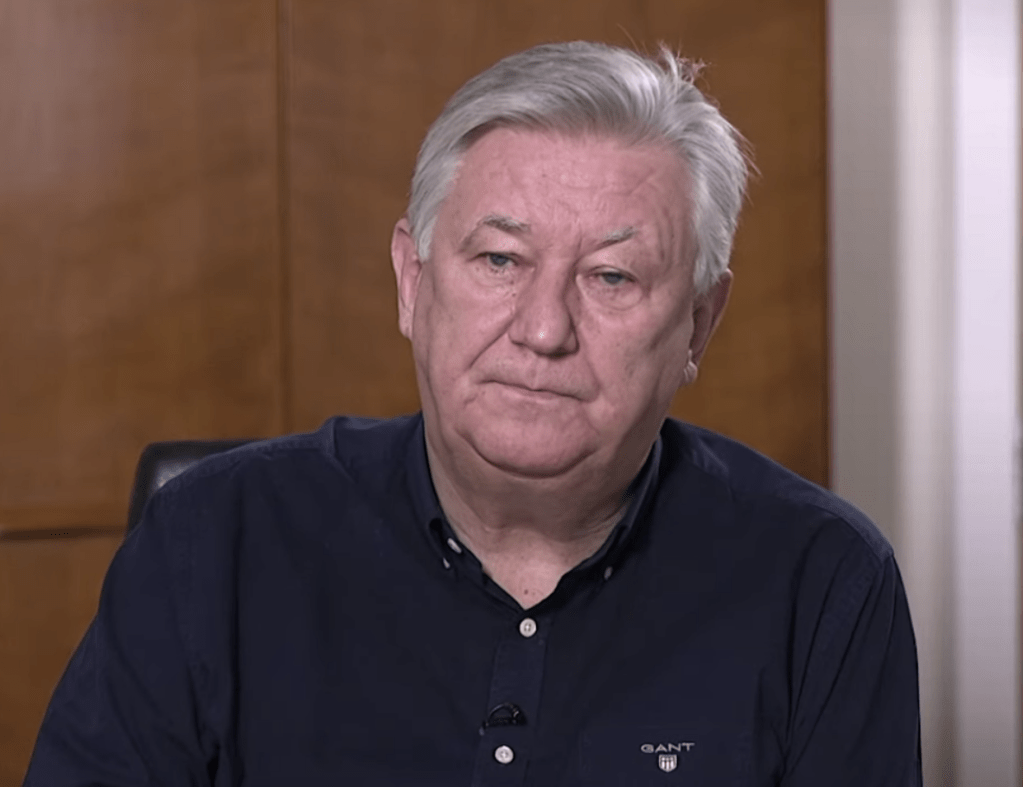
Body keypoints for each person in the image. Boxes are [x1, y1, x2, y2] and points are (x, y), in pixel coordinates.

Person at [24, 41, 921, 786]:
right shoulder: (211, 539)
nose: (543, 329)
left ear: (698, 323)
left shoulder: (822, 581)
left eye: (611, 276)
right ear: (412, 282)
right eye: (499, 261)